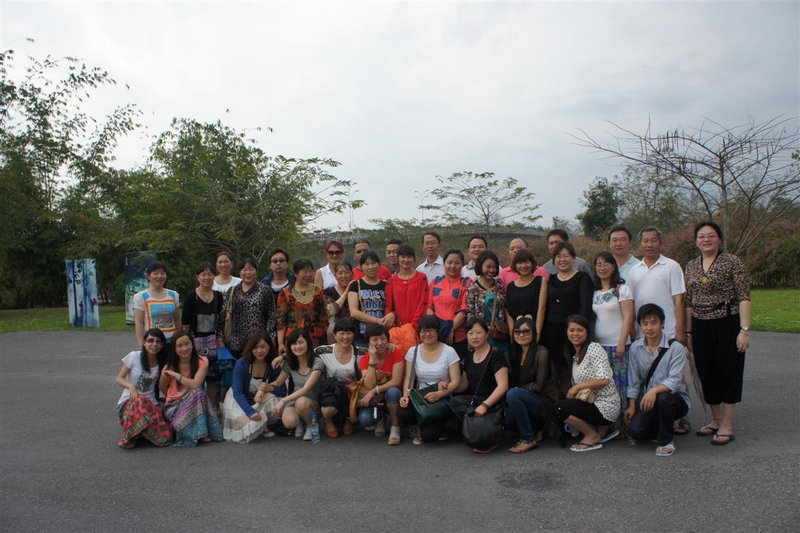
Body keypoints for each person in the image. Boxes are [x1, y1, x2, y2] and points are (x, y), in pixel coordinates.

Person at [684, 221, 751, 446]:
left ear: (719, 239)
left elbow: (744, 296)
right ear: (696, 241)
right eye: (701, 236)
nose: (706, 240)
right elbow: (688, 301)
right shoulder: (691, 266)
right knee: (706, 371)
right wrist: (689, 332)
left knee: (729, 371)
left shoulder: (732, 262)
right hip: (700, 325)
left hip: (726, 322)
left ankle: (727, 425)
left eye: (711, 235)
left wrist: (744, 331)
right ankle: (716, 419)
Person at [625, 304, 691, 456]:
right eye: (645, 323)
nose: (649, 328)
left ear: (662, 323)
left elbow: (674, 380)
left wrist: (654, 391)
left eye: (654, 322)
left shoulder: (675, 348)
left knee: (663, 398)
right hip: (650, 402)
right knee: (635, 432)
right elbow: (634, 380)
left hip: (675, 400)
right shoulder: (635, 348)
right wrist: (632, 406)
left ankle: (667, 441)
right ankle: (660, 427)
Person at [553, 315, 620, 452]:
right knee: (563, 404)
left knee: (559, 407)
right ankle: (597, 430)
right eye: (572, 330)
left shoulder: (594, 348)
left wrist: (578, 386)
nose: (575, 334)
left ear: (587, 332)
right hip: (591, 402)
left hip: (605, 406)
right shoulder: (575, 356)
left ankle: (592, 435)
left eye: (580, 330)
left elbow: (604, 379)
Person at [398, 316, 462, 444]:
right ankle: (419, 425)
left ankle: (440, 425)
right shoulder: (413, 351)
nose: (427, 334)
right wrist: (406, 396)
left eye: (431, 330)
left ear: (438, 332)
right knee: (402, 412)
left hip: (443, 396)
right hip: (422, 397)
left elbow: (456, 381)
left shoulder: (449, 351)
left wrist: (439, 394)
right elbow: (409, 379)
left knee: (429, 436)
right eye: (423, 331)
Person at [451, 318, 509, 454]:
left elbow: (503, 386)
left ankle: (483, 427)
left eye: (478, 332)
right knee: (455, 402)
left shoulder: (496, 354)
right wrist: (447, 387)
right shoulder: (469, 356)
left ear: (487, 334)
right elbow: (463, 385)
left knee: (483, 440)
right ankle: (478, 425)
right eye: (470, 333)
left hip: (493, 403)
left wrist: (485, 405)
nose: (474, 337)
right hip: (475, 402)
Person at [541, 242, 593, 391]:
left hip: (573, 329)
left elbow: (585, 306)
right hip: (552, 328)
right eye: (558, 256)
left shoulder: (582, 278)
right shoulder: (550, 279)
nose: (562, 260)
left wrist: (580, 329)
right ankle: (559, 396)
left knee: (573, 362)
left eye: (566, 256)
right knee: (556, 365)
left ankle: (576, 393)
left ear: (573, 258)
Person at [592, 251, 634, 429]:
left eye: (606, 264)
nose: (602, 268)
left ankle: (623, 425)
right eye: (598, 264)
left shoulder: (622, 289)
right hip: (600, 346)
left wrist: (621, 343)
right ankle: (607, 423)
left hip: (618, 345)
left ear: (613, 267)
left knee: (620, 385)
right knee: (605, 387)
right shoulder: (594, 291)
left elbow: (628, 317)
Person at [158, 331, 224, 447]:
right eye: (180, 346)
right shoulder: (169, 367)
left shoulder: (202, 361)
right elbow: (162, 387)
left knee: (198, 393)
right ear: (174, 349)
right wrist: (175, 395)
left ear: (192, 344)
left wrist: (177, 375)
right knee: (180, 423)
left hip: (196, 402)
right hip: (174, 406)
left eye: (187, 344)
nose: (184, 348)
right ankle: (197, 431)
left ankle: (200, 432)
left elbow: (196, 384)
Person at [222, 330, 286, 444]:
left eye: (263, 347)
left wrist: (270, 388)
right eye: (255, 347)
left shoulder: (273, 364)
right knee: (241, 420)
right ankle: (259, 425)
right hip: (240, 400)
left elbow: (283, 391)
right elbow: (237, 393)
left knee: (273, 398)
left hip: (260, 401)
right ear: (250, 348)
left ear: (269, 347)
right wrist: (250, 412)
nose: (259, 351)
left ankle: (259, 424)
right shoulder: (242, 363)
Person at [627, 227, 686, 344]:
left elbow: (679, 300)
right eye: (645, 241)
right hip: (642, 333)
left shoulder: (672, 266)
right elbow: (631, 302)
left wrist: (680, 331)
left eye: (654, 240)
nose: (649, 245)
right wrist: (632, 328)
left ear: (660, 243)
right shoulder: (634, 270)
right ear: (640, 244)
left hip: (669, 332)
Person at [115, 328, 172, 449]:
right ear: (144, 343)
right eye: (150, 340)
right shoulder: (134, 356)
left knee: (166, 437)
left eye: (158, 341)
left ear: (162, 345)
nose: (154, 344)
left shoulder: (162, 364)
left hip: (151, 404)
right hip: (130, 402)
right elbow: (119, 379)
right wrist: (131, 387)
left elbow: (162, 386)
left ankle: (142, 433)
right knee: (140, 401)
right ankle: (130, 437)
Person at [505, 316, 553, 453]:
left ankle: (527, 438)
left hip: (542, 400)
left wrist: (517, 390)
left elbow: (538, 386)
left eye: (526, 331)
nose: (521, 335)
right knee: (506, 420)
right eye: (517, 331)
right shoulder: (514, 353)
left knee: (513, 394)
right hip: (523, 397)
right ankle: (534, 429)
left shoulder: (541, 352)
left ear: (533, 333)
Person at [268, 329, 325, 440]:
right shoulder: (290, 362)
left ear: (308, 343)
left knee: (301, 402)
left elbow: (305, 389)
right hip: (294, 401)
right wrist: (263, 389)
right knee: (289, 422)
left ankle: (310, 424)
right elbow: (278, 382)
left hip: (312, 403)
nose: (297, 347)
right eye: (293, 344)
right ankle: (300, 421)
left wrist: (283, 401)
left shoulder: (317, 362)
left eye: (301, 342)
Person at [315, 318, 366, 438]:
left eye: (349, 333)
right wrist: (282, 357)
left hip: (353, 392)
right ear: (335, 335)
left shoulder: (362, 352)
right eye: (341, 333)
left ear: (354, 334)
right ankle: (328, 422)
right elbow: (303, 352)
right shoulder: (324, 351)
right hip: (332, 391)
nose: (345, 337)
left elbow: (379, 351)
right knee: (328, 409)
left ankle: (349, 420)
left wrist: (390, 345)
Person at [181, 262, 224, 405]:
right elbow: (186, 324)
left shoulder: (218, 296)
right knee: (196, 378)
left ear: (214, 276)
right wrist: (187, 344)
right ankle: (196, 407)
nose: (206, 277)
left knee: (213, 379)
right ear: (197, 277)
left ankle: (212, 408)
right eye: (203, 274)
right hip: (196, 343)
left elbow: (221, 320)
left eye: (210, 274)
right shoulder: (191, 297)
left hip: (213, 344)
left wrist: (220, 342)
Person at [216, 257, 276, 359]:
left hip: (258, 343)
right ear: (240, 272)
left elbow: (271, 316)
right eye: (244, 270)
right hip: (235, 343)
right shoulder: (233, 291)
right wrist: (220, 338)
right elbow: (223, 315)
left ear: (256, 271)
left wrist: (271, 337)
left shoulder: (264, 290)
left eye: (251, 269)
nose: (248, 273)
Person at [356, 324, 405, 445]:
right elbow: (369, 385)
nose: (380, 343)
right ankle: (380, 417)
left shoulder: (395, 352)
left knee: (393, 391)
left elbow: (396, 381)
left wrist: (374, 390)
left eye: (383, 338)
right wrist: (372, 361)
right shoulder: (365, 359)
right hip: (375, 400)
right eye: (375, 340)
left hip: (392, 396)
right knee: (365, 419)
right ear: (369, 343)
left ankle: (395, 426)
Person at [276, 259, 329, 352]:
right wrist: (280, 343)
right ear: (295, 274)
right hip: (294, 341)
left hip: (316, 339)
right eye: (305, 272)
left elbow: (324, 317)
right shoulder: (285, 293)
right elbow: (281, 321)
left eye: (310, 271)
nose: (308, 275)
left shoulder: (318, 292)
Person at [427, 248, 471, 360]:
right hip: (436, 333)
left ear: (462, 265)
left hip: (458, 335)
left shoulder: (466, 283)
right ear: (444, 263)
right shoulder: (435, 282)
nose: (453, 266)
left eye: (457, 263)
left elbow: (464, 309)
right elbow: (429, 306)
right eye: (449, 262)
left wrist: (451, 329)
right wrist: (436, 329)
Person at [348, 251, 394, 348]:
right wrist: (377, 320)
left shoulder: (386, 285)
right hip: (362, 336)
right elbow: (353, 312)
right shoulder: (355, 285)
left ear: (379, 265)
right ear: (361, 266)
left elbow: (393, 307)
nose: (370, 267)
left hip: (381, 335)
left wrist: (392, 314)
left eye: (373, 263)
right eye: (366, 264)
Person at [465, 250, 509, 353]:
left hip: (498, 333)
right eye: (488, 267)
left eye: (494, 267)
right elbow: (470, 313)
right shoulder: (473, 287)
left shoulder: (499, 284)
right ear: (480, 266)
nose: (491, 270)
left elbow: (504, 307)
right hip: (481, 334)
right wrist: (472, 334)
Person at [133, 261, 181, 350]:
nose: (159, 276)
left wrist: (180, 338)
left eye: (163, 273)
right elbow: (139, 322)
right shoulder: (141, 297)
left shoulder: (173, 295)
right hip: (153, 343)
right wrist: (142, 343)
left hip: (172, 342)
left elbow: (177, 319)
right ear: (148, 276)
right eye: (155, 273)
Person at [387, 243, 429, 340]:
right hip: (398, 330)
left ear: (414, 259)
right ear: (398, 258)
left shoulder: (421, 278)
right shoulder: (391, 281)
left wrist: (413, 326)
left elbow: (423, 303)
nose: (406, 260)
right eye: (403, 257)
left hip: (417, 328)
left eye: (409, 257)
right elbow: (389, 306)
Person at [505, 248, 547, 343]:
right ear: (515, 265)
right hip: (518, 333)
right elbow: (509, 311)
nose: (523, 266)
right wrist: (512, 334)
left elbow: (542, 308)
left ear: (532, 263)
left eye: (526, 262)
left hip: (536, 328)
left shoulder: (541, 281)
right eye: (519, 263)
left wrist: (537, 333)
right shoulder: (511, 286)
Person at [323, 261, 354, 343]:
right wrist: (347, 290)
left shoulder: (356, 290)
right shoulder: (328, 292)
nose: (344, 276)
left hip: (354, 332)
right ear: (335, 275)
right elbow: (331, 311)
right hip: (335, 334)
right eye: (340, 273)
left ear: (352, 274)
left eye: (347, 272)